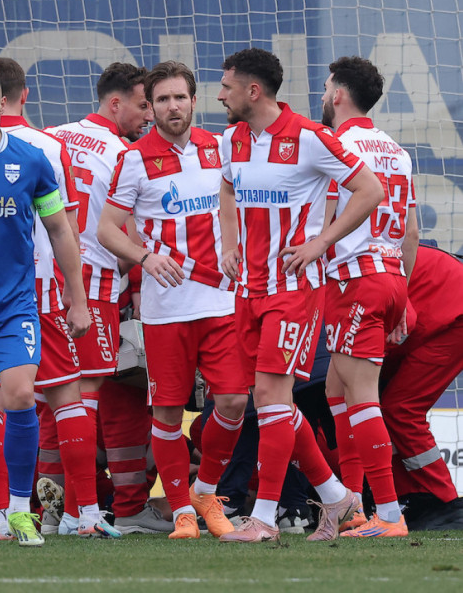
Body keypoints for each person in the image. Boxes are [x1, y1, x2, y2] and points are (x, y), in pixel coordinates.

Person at [215, 48, 384, 543]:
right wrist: (229, 244)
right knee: (274, 404)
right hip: (248, 289)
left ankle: (264, 519)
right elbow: (227, 190)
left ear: (253, 91)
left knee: (271, 397)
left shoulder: (310, 137)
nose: (219, 95)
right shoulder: (232, 140)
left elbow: (370, 190)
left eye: (226, 86)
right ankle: (337, 498)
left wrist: (320, 242)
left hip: (293, 289)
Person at [98, 60, 248, 539]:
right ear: (151, 107)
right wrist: (144, 257)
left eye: (179, 97)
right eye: (161, 99)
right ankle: (182, 512)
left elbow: (238, 207)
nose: (172, 106)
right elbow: (106, 229)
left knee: (234, 401)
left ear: (194, 101)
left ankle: (205, 491)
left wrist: (235, 248)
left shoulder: (220, 147)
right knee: (165, 413)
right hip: (166, 311)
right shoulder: (133, 159)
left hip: (221, 301)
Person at [0, 67, 92, 548]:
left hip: (14, 305)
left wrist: (77, 296)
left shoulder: (30, 160)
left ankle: (19, 510)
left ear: (2, 104)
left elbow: (60, 229)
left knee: (21, 395)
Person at [0, 57, 112, 537]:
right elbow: (68, 230)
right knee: (67, 398)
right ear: (25, 94)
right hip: (43, 289)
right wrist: (77, 298)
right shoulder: (50, 147)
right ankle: (87, 515)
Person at [315, 56, 420, 538]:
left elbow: (326, 216)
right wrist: (404, 295)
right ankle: (353, 504)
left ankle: (390, 515)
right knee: (336, 392)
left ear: (338, 94)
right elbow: (411, 231)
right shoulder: (397, 151)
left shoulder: (335, 145)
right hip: (390, 277)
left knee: (362, 397)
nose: (322, 96)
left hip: (354, 280)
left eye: (325, 88)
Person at [45, 62, 152, 417]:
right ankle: (77, 460)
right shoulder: (127, 155)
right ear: (116, 103)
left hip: (43, 277)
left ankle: (44, 459)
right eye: (143, 105)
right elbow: (134, 238)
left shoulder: (52, 135)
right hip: (91, 280)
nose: (149, 115)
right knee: (87, 385)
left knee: (49, 386)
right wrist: (136, 287)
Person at [380, 244, 463, 529]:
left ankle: (443, 501)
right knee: (381, 406)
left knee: (400, 409)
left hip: (451, 312)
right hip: (440, 306)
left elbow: (406, 320)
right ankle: (413, 497)